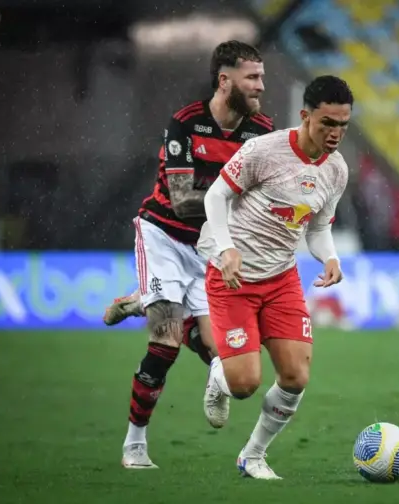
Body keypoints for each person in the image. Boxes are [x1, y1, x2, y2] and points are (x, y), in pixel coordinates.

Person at [121, 40, 275, 469]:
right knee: (166, 341)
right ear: (225, 81)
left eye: (261, 76)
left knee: (222, 355)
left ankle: (145, 300)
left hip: (213, 246)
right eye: (253, 77)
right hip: (165, 237)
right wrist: (235, 199)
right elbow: (184, 201)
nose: (261, 85)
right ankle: (135, 443)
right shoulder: (185, 124)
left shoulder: (262, 132)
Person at [199, 75, 353, 479]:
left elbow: (317, 229)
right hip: (233, 277)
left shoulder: (336, 171)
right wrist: (226, 247)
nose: (335, 133)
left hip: (281, 278)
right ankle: (220, 375)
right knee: (245, 383)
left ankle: (252, 456)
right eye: (327, 124)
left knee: (296, 376)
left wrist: (330, 258)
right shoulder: (263, 151)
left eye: (343, 125)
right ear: (305, 116)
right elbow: (215, 196)